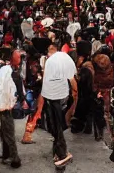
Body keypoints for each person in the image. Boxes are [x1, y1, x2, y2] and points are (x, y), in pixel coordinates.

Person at [41, 37, 78, 171]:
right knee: (57, 125)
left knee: (56, 125)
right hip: (60, 96)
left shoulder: (52, 61)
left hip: (53, 97)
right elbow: (71, 78)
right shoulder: (62, 59)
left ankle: (61, 154)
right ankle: (59, 153)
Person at [0, 47, 22, 168]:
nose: (20, 59)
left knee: (7, 131)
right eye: (18, 57)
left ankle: (13, 157)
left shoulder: (5, 69)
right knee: (6, 130)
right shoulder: (9, 70)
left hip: (6, 104)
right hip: (6, 104)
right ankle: (9, 156)